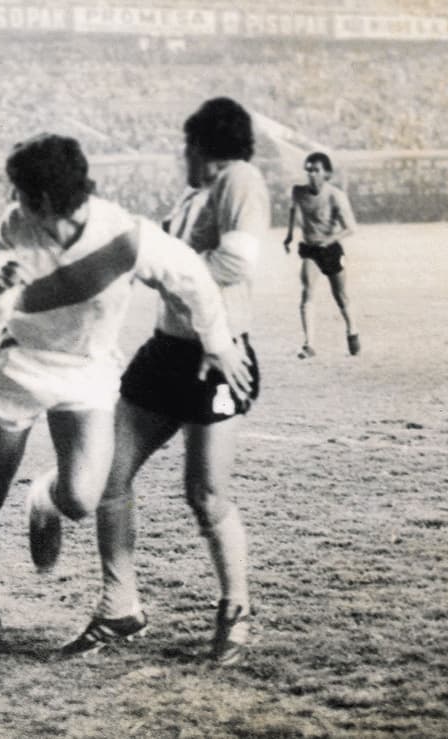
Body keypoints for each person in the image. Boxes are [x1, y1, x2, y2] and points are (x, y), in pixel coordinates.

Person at [0, 133, 252, 647]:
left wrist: (218, 342)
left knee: (81, 499)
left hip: (87, 374)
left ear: (43, 199)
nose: (14, 203)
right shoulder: (14, 226)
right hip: (22, 365)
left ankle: (41, 501)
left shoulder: (125, 235)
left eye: (20, 193)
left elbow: (193, 279)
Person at [68, 97, 269, 666]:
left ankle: (236, 608)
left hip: (215, 355)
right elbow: (154, 254)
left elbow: (236, 265)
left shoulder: (241, 179)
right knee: (110, 472)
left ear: (201, 145)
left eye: (187, 145)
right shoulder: (193, 194)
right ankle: (119, 606)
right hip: (166, 350)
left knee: (205, 496)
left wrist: (172, 268)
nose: (183, 155)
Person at [283, 152, 360, 358]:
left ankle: (352, 330)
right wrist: (289, 236)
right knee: (306, 290)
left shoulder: (335, 196)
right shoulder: (298, 192)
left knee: (340, 295)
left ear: (326, 173)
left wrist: (329, 240)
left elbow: (351, 227)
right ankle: (309, 344)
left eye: (316, 170)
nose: (311, 174)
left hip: (331, 250)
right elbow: (293, 210)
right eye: (308, 170)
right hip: (310, 249)